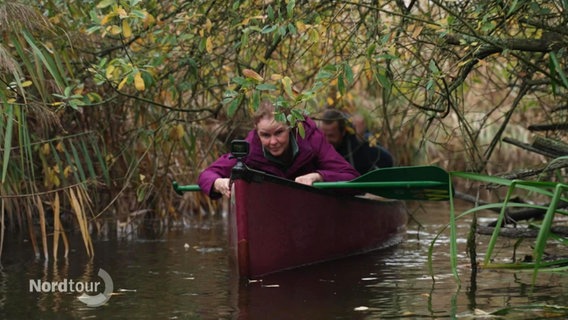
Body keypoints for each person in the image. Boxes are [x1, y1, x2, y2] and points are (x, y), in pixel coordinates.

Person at [198, 101, 360, 199]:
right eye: (265, 135)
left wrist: (318, 176)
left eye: (279, 133)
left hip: (312, 210)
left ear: (289, 127)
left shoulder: (311, 139)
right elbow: (207, 175)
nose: (273, 141)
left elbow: (352, 179)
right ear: (256, 131)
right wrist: (218, 183)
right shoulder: (250, 148)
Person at [319, 108, 394, 175]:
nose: (327, 140)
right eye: (324, 135)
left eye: (331, 136)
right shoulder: (320, 144)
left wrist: (360, 141)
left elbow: (387, 161)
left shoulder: (359, 137)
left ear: (343, 132)